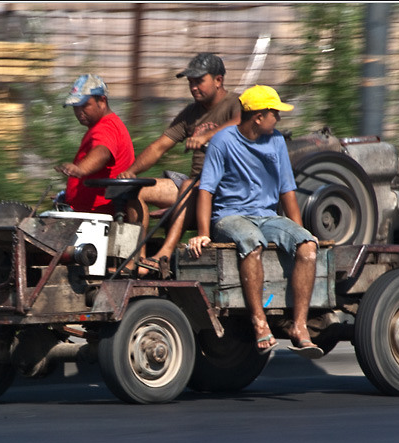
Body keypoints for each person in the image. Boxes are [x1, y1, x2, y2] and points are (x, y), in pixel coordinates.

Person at [187, 85, 323, 358]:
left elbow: (287, 191)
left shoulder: (276, 142)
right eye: (275, 113)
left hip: (267, 216)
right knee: (252, 242)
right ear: (258, 117)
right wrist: (203, 232)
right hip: (230, 217)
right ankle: (260, 322)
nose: (279, 118)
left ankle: (299, 327)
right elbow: (206, 190)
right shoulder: (223, 142)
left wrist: (299, 230)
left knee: (308, 246)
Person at [118, 53, 242, 277]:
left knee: (186, 185)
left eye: (198, 81)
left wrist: (208, 136)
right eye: (190, 82)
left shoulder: (236, 103)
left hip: (223, 189)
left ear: (218, 80)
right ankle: (139, 258)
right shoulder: (191, 112)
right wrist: (131, 172)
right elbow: (159, 147)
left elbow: (240, 123)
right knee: (137, 189)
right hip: (195, 185)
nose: (193, 87)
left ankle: (164, 255)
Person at [54, 74, 135, 215]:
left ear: (102, 101)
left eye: (84, 105)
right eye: (75, 107)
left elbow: (102, 152)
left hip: (97, 217)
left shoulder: (105, 128)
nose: (79, 112)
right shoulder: (107, 125)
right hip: (89, 214)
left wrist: (81, 170)